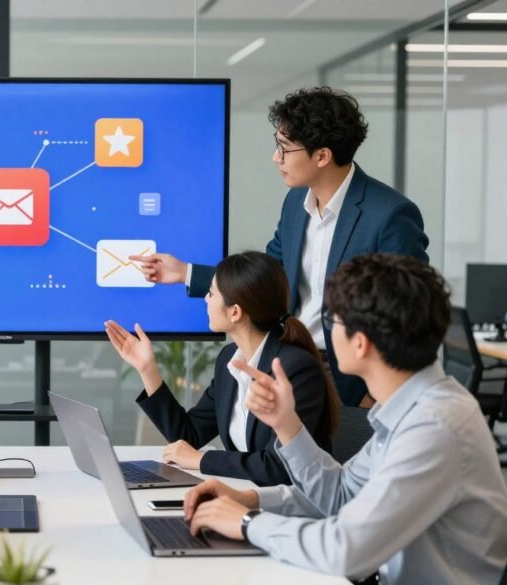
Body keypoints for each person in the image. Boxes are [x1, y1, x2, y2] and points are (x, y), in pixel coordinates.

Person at [183, 254, 507, 585]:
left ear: (361, 343)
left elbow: (345, 549)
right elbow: (342, 494)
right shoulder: (408, 408)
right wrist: (255, 491)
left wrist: (248, 523)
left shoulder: (436, 426)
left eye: (331, 320)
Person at [131, 87, 429, 407]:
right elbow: (268, 276)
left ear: (322, 156)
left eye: (285, 148)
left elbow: (410, 316)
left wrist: (375, 395)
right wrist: (185, 273)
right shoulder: (295, 203)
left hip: (352, 384)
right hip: (292, 366)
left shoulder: (389, 215)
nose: (276, 157)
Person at [105, 251, 339, 486]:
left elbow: (279, 467)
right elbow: (189, 436)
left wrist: (201, 460)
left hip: (293, 509)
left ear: (235, 312)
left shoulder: (293, 368)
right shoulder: (230, 359)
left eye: (211, 293)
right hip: (246, 496)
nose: (206, 299)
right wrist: (147, 369)